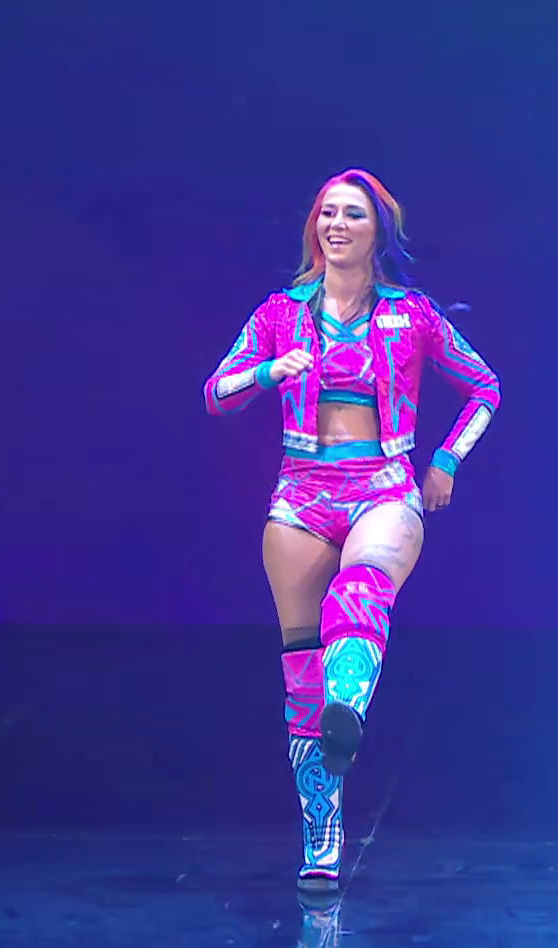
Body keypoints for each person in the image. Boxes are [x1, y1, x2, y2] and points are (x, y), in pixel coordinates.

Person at [203, 168, 501, 894]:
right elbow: (217, 393)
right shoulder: (281, 314)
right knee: (299, 670)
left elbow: (484, 386)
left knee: (361, 590)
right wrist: (270, 371)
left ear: (378, 232)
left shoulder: (412, 314)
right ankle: (322, 831)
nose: (337, 224)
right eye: (328, 213)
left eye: (354, 215)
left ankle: (348, 704)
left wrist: (446, 461)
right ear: (315, 227)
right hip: (302, 494)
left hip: (383, 485)